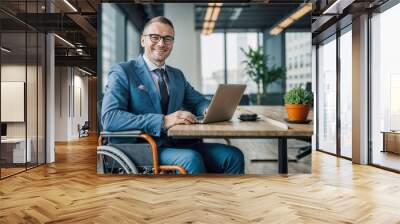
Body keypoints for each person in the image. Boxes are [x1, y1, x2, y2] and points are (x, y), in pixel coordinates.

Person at [101, 16, 244, 174]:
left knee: (233, 156)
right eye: (155, 37)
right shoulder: (123, 71)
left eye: (167, 39)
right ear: (143, 40)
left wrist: (207, 109)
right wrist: (163, 121)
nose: (161, 43)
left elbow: (198, 102)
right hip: (141, 148)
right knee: (191, 159)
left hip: (177, 143)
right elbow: (110, 118)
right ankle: (201, 199)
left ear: (172, 43)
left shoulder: (177, 76)